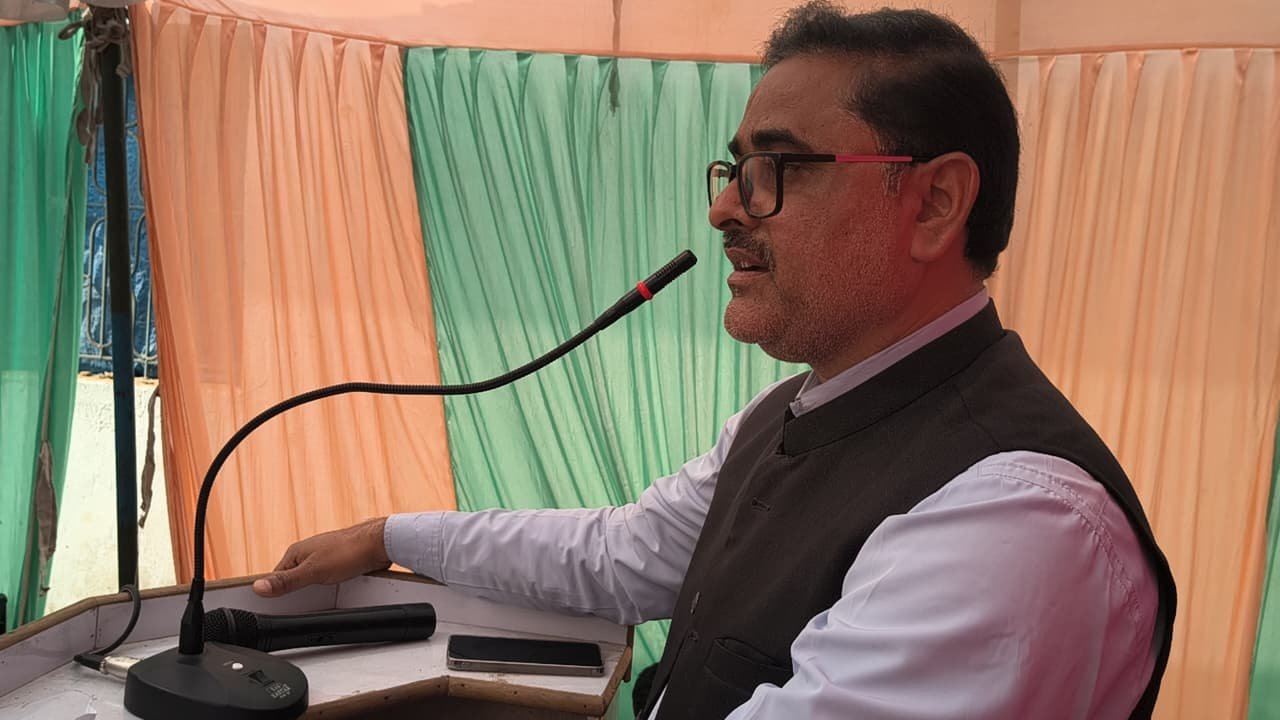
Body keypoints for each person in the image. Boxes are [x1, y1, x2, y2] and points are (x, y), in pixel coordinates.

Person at [253, 3, 1176, 718]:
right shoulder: (787, 416)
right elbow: (618, 554)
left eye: (777, 169)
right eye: (734, 169)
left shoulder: (1018, 518)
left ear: (934, 204)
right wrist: (392, 536)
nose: (725, 210)